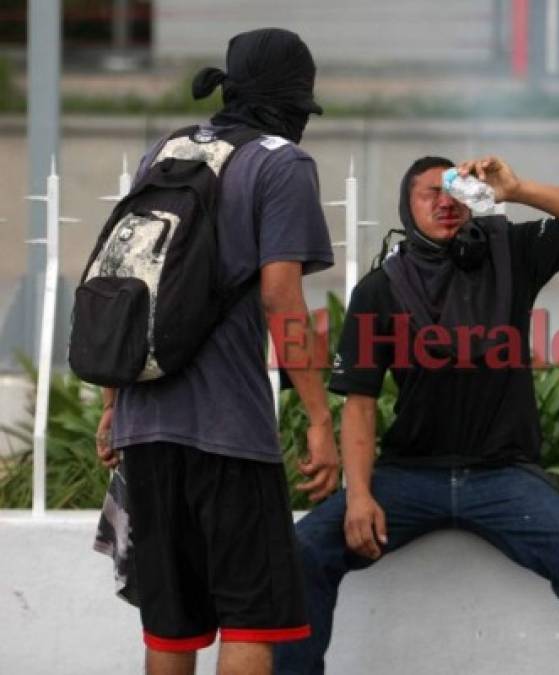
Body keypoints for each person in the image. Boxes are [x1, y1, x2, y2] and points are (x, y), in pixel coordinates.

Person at [275, 156, 559, 674]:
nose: (445, 203)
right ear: (407, 206)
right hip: (408, 477)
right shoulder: (380, 289)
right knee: (304, 550)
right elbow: (358, 404)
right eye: (430, 193)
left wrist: (514, 188)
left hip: (503, 476)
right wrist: (358, 495)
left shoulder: (511, 252)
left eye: (457, 192)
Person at [94, 28, 339, 675]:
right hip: (227, 430)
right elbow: (282, 297)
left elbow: (126, 276)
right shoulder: (280, 163)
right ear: (291, 102)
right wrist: (318, 418)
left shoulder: (167, 149)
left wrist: (113, 400)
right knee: (253, 616)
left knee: (171, 628)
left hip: (146, 423)